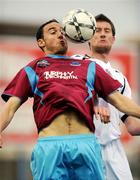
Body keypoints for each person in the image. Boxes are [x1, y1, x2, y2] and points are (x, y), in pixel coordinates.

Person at [0, 19, 140, 180]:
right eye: (53, 32)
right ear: (41, 42)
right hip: (51, 147)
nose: (60, 34)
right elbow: (10, 106)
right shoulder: (33, 68)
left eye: (62, 31)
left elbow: (120, 100)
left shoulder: (89, 67)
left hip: (85, 145)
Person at [73, 14, 140, 180]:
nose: (103, 34)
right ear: (88, 36)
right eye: (97, 30)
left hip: (113, 149)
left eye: (107, 31)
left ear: (113, 38)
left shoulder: (121, 78)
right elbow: (71, 94)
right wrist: (93, 104)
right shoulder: (77, 62)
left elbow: (131, 126)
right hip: (83, 144)